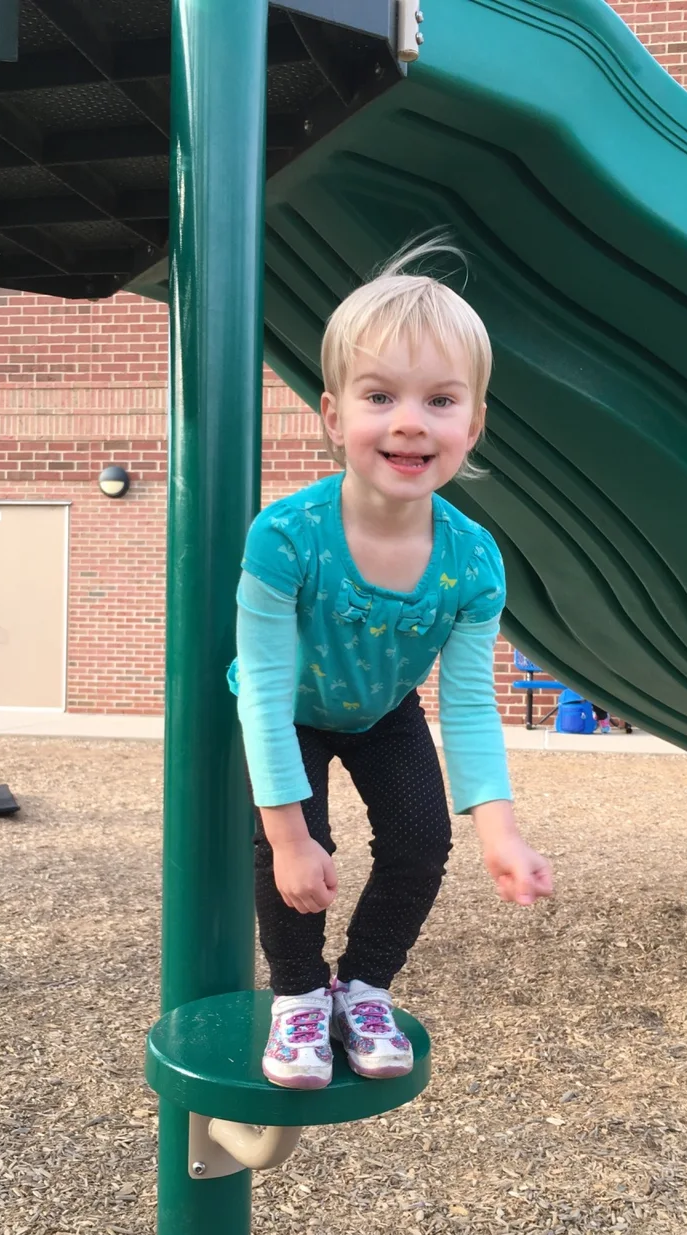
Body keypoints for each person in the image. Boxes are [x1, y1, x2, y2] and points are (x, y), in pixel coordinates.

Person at [229, 239, 554, 1090]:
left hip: (381, 710)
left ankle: (364, 986)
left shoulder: (473, 561)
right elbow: (262, 686)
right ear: (334, 416)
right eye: (381, 396)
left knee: (421, 840)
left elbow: (470, 703)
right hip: (288, 708)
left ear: (472, 426)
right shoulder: (286, 537)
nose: (411, 421)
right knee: (294, 850)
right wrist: (290, 837)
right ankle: (300, 995)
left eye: (440, 400)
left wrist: (501, 832)